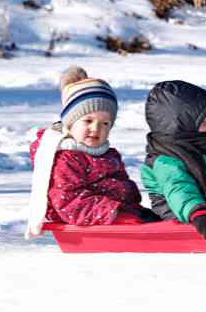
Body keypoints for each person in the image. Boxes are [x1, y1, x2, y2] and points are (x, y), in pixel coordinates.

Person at [25, 66, 159, 236]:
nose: (96, 128)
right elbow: (70, 201)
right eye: (88, 120)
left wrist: (133, 209)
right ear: (70, 122)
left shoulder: (107, 154)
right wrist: (115, 214)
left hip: (116, 216)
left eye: (105, 123)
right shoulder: (65, 158)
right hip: (86, 225)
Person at [142, 79, 206, 240]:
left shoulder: (204, 153)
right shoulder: (166, 162)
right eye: (204, 122)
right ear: (181, 127)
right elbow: (179, 188)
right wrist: (198, 214)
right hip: (186, 220)